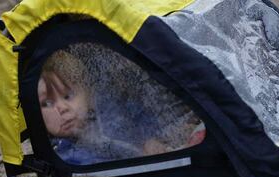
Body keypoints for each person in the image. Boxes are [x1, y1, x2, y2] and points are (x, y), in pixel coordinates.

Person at [38, 49, 205, 164]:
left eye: (68, 96)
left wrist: (149, 139)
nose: (61, 108)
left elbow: (138, 115)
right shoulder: (67, 156)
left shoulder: (109, 113)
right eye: (47, 104)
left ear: (88, 95)